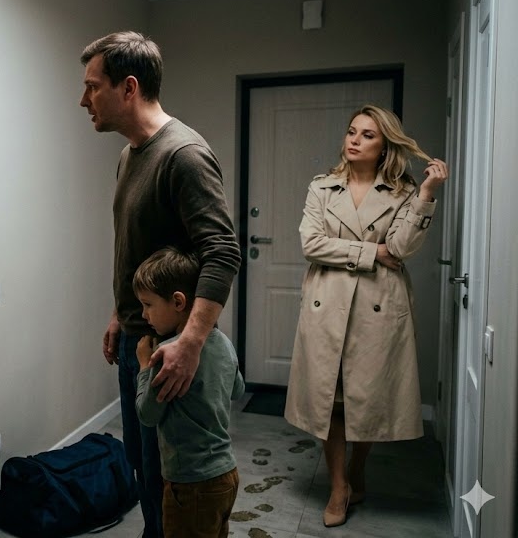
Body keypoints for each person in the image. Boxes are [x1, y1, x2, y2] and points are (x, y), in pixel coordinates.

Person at [79, 31, 241, 537]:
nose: (83, 99)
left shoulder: (183, 154)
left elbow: (223, 251)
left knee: (172, 485)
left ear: (128, 87)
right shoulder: (130, 154)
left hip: (171, 348)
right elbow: (139, 246)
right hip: (139, 338)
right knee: (145, 475)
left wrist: (190, 343)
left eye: (92, 86)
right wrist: (120, 313)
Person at [284, 104, 449, 528]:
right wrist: (372, 252)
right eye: (351, 131)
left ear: (385, 146)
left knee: (366, 398)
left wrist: (427, 193)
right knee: (331, 399)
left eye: (367, 135)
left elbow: (402, 248)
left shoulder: (403, 192)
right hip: (327, 305)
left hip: (378, 307)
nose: (354, 140)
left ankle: (358, 468)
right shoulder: (322, 187)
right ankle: (339, 486)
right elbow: (311, 244)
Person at [133, 246, 244, 538]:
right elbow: (238, 389)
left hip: (190, 484)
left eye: (148, 304)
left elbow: (147, 415)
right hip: (226, 475)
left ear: (178, 302)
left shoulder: (166, 356)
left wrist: (144, 366)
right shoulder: (224, 342)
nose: (144, 314)